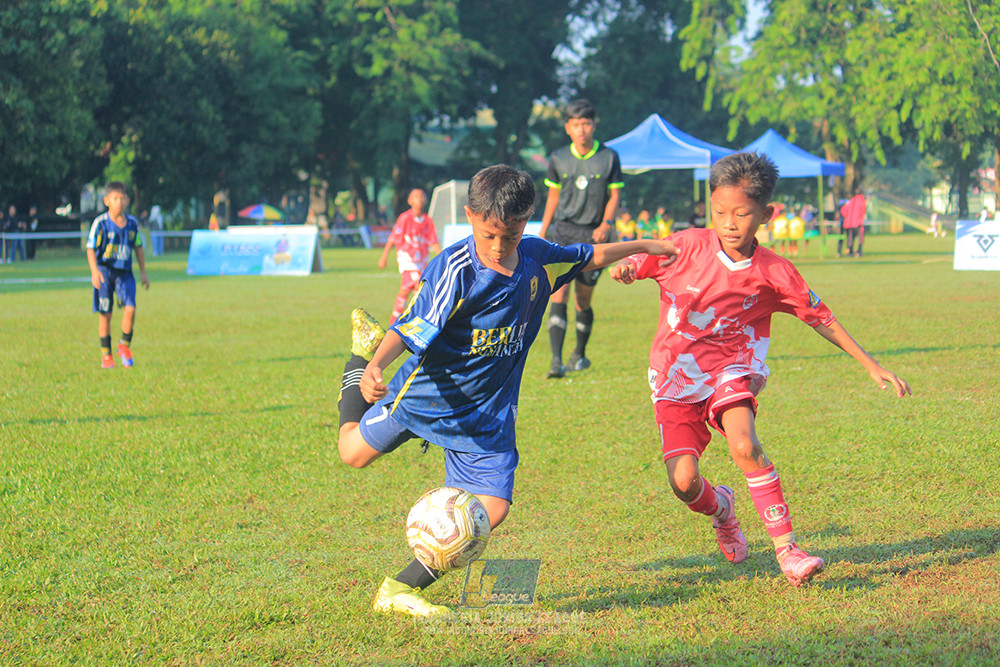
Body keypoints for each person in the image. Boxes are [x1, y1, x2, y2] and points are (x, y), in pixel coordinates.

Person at [337, 164, 678, 617]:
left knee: (490, 509)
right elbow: (410, 327)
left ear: (527, 220)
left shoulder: (537, 258)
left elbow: (587, 255)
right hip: (431, 395)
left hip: (488, 412)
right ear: (470, 215)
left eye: (511, 236)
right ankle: (358, 355)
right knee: (351, 453)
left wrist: (645, 244)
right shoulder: (456, 270)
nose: (499, 247)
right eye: (489, 235)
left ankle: (400, 588)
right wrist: (375, 365)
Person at [609, 152, 911, 587]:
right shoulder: (687, 245)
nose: (728, 223)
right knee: (683, 482)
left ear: (766, 214)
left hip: (731, 368)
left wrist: (871, 365)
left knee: (745, 446)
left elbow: (820, 317)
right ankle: (722, 510)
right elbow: (641, 261)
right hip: (674, 374)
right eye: (719, 212)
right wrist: (625, 269)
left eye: (741, 213)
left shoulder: (775, 271)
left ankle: (789, 552)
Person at [539, 99, 624, 379]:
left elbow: (614, 195)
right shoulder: (558, 158)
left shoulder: (609, 157)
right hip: (562, 232)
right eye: (576, 124)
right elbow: (553, 197)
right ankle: (555, 361)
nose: (581, 129)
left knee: (583, 301)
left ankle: (579, 354)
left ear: (594, 125)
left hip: (593, 235)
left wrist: (606, 224)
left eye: (586, 123)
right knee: (558, 293)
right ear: (567, 128)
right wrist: (543, 229)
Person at [86, 182, 150, 369]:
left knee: (130, 309)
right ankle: (106, 355)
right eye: (115, 198)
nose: (119, 202)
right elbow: (90, 249)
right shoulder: (101, 223)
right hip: (105, 272)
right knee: (106, 314)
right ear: (107, 201)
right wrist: (94, 271)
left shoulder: (132, 224)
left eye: (122, 198)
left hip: (125, 273)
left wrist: (143, 273)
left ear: (127, 200)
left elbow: (138, 247)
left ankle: (124, 345)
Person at [378, 188, 441, 325]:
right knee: (416, 288)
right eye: (415, 196)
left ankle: (400, 319)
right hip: (408, 260)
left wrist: (442, 257)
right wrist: (384, 257)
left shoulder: (428, 221)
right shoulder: (405, 218)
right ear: (410, 201)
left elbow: (433, 241)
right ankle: (409, 320)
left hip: (422, 261)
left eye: (421, 196)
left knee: (410, 290)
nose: (419, 199)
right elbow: (393, 238)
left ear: (425, 200)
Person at [839, 189, 866, 257]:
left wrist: (847, 217)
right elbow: (863, 211)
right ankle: (859, 251)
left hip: (849, 223)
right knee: (860, 237)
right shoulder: (861, 200)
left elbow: (843, 210)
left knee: (850, 237)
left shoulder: (851, 201)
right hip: (857, 222)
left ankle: (850, 251)